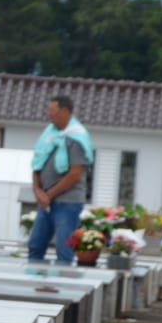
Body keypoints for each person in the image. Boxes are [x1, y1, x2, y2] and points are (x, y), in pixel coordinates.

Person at [28, 95, 94, 265]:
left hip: (67, 202)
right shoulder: (48, 134)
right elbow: (37, 163)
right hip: (46, 202)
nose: (48, 114)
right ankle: (34, 284)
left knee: (63, 250)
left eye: (52, 110)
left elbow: (74, 173)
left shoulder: (76, 137)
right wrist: (37, 190)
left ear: (64, 111)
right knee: (35, 245)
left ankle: (61, 287)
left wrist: (48, 194)